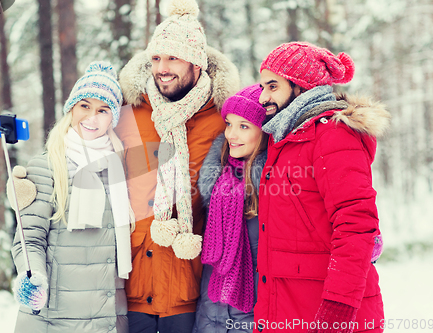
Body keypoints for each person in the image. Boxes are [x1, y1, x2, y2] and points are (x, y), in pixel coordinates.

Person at [114, 0, 240, 331]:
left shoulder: (223, 119)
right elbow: (80, 145)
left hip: (189, 279)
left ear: (197, 64)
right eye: (156, 58)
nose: (162, 68)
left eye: (173, 58)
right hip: (133, 282)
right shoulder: (130, 111)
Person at [254, 42, 389, 333]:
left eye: (273, 86)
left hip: (330, 314)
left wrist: (338, 307)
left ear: (301, 87)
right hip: (289, 308)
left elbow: (356, 223)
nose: (263, 96)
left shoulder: (334, 136)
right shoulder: (287, 138)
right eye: (262, 86)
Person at [11, 61, 133, 333]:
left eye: (103, 110)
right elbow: (28, 238)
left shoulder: (120, 169)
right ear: (71, 109)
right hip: (55, 316)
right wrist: (34, 278)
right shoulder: (46, 166)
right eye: (84, 106)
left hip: (107, 316)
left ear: (112, 118)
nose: (92, 117)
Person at [192, 84, 268, 333]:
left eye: (244, 126)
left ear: (264, 132)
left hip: (254, 320)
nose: (231, 134)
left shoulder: (274, 189)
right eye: (229, 123)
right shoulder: (216, 184)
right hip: (209, 317)